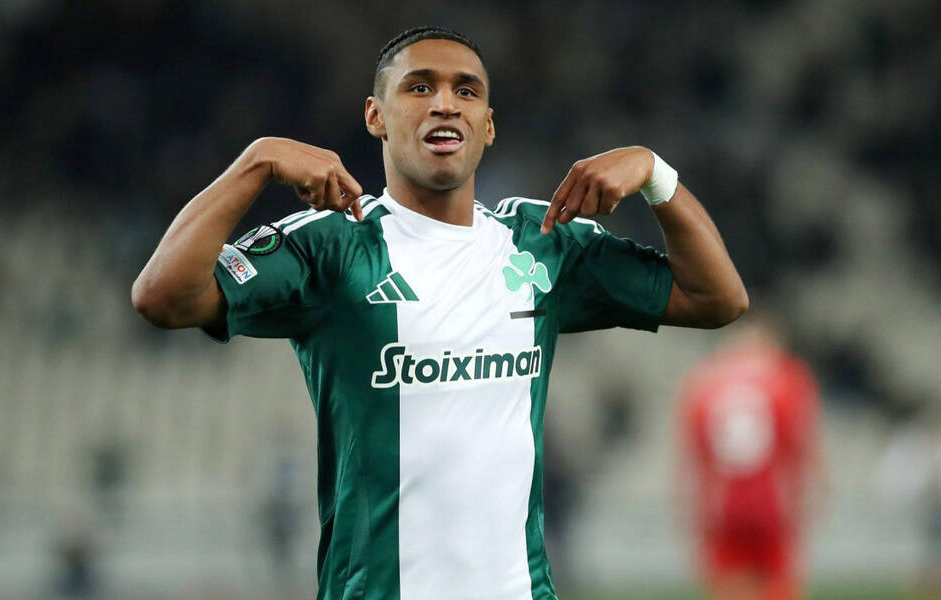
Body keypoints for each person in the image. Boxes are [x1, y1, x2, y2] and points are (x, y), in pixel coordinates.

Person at [132, 26, 747, 600]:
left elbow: (716, 298)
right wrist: (257, 161)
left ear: (488, 126)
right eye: (419, 88)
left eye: (466, 91)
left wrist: (656, 175)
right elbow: (162, 296)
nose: (446, 104)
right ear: (376, 116)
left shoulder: (541, 243)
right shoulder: (332, 246)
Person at [676, 316, 821, 600]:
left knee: (730, 585)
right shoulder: (788, 379)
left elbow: (691, 459)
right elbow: (802, 447)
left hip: (722, 505)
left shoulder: (704, 383)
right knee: (779, 583)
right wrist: (810, 500)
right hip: (772, 503)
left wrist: (690, 512)